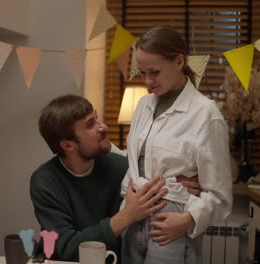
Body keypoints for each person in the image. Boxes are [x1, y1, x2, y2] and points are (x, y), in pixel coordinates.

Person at [120, 25, 233, 263]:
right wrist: (128, 202)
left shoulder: (206, 113)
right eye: (142, 73)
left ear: (180, 61)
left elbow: (220, 195)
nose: (148, 81)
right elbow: (136, 162)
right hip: (133, 216)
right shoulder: (143, 105)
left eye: (155, 72)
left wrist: (188, 219)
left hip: (170, 223)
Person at [30, 94, 169, 262]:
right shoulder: (45, 182)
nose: (103, 126)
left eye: (96, 118)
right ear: (67, 145)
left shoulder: (121, 167)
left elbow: (164, 183)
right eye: (90, 125)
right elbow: (66, 248)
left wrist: (191, 183)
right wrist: (126, 216)